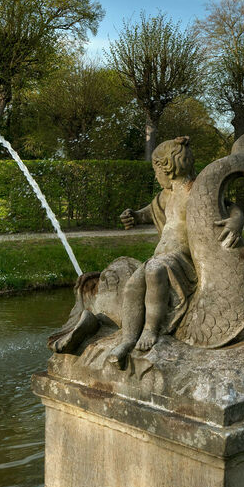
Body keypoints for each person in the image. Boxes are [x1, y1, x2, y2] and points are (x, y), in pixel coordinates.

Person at [104, 137, 197, 369]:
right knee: (133, 285)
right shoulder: (167, 195)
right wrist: (136, 215)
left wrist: (233, 224)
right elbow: (152, 210)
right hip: (161, 258)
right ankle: (127, 340)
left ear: (169, 167)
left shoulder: (194, 191)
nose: (156, 176)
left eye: (156, 170)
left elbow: (228, 207)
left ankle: (151, 330)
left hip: (184, 262)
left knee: (155, 270)